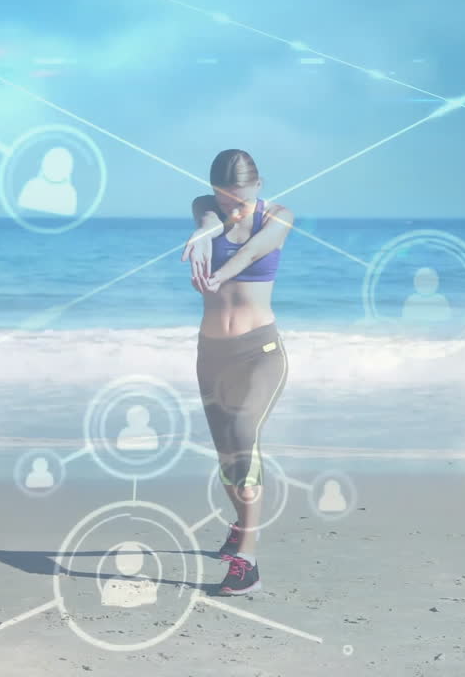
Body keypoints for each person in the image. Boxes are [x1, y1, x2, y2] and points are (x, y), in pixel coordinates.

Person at [180, 149, 292, 596]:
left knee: (244, 436)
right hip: (212, 355)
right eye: (224, 197)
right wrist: (206, 230)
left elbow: (250, 253)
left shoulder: (279, 216)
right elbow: (208, 224)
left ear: (259, 186)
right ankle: (240, 527)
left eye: (241, 196)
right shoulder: (204, 208)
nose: (232, 205)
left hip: (260, 352)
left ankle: (247, 559)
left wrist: (217, 275)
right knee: (227, 455)